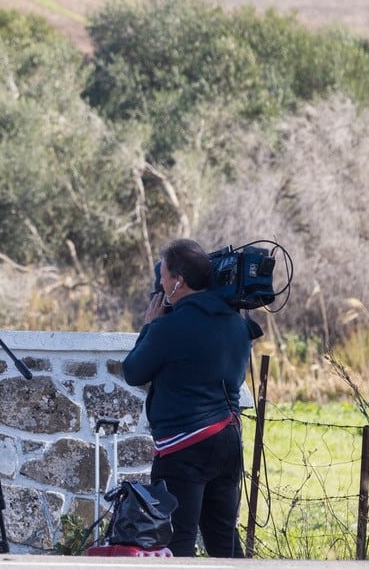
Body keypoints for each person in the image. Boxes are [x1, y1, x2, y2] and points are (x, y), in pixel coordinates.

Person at [121, 238, 252, 558]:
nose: (160, 282)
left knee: (177, 541)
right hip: (228, 441)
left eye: (163, 275)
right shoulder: (238, 324)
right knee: (224, 541)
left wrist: (150, 326)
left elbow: (133, 371)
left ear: (178, 281)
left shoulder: (169, 328)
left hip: (184, 446)